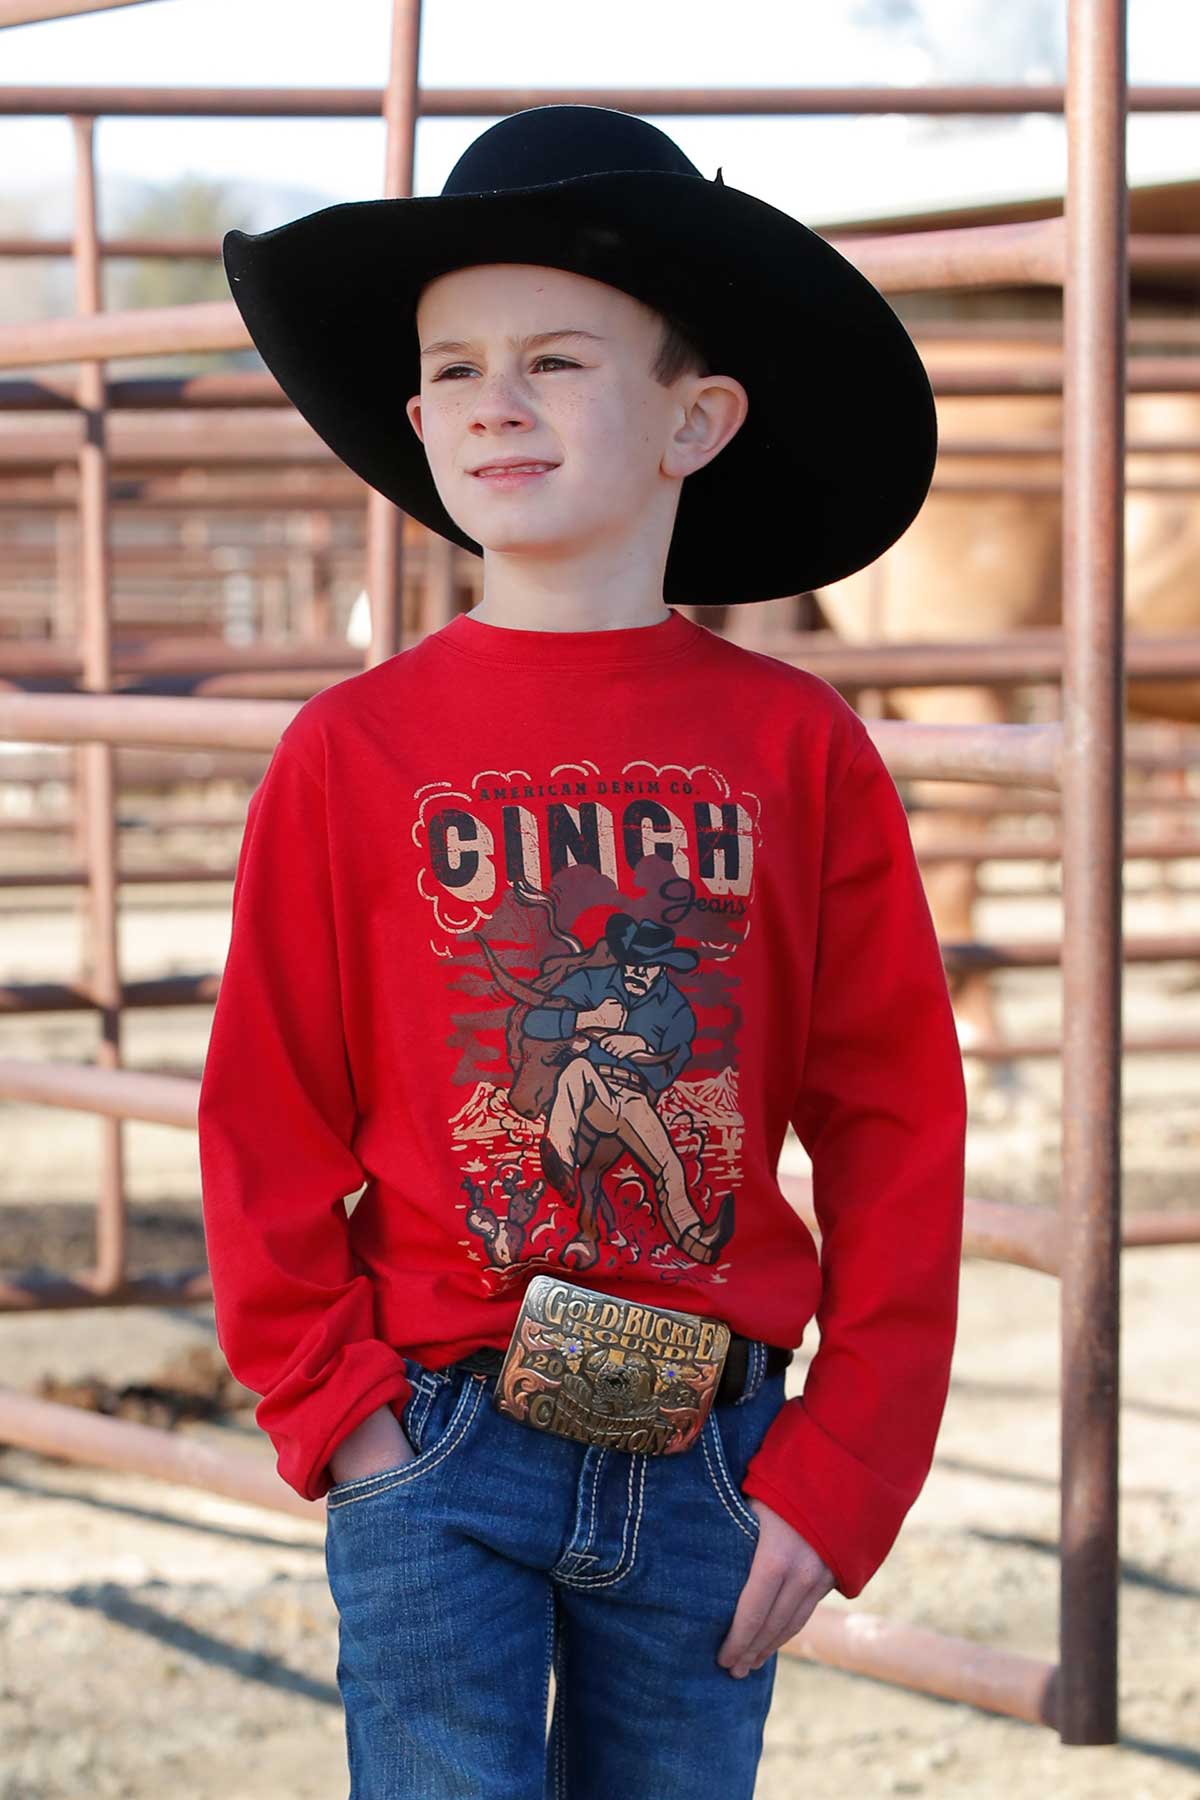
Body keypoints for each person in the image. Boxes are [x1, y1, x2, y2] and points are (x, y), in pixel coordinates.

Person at [199, 103, 967, 1800]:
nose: (497, 398)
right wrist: (343, 1416)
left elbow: (895, 1114)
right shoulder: (351, 753)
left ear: (698, 419)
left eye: (557, 358)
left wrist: (852, 1458)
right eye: (456, 367)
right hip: (440, 1436)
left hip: (718, 1449)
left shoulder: (799, 749)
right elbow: (263, 1107)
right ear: (415, 421)